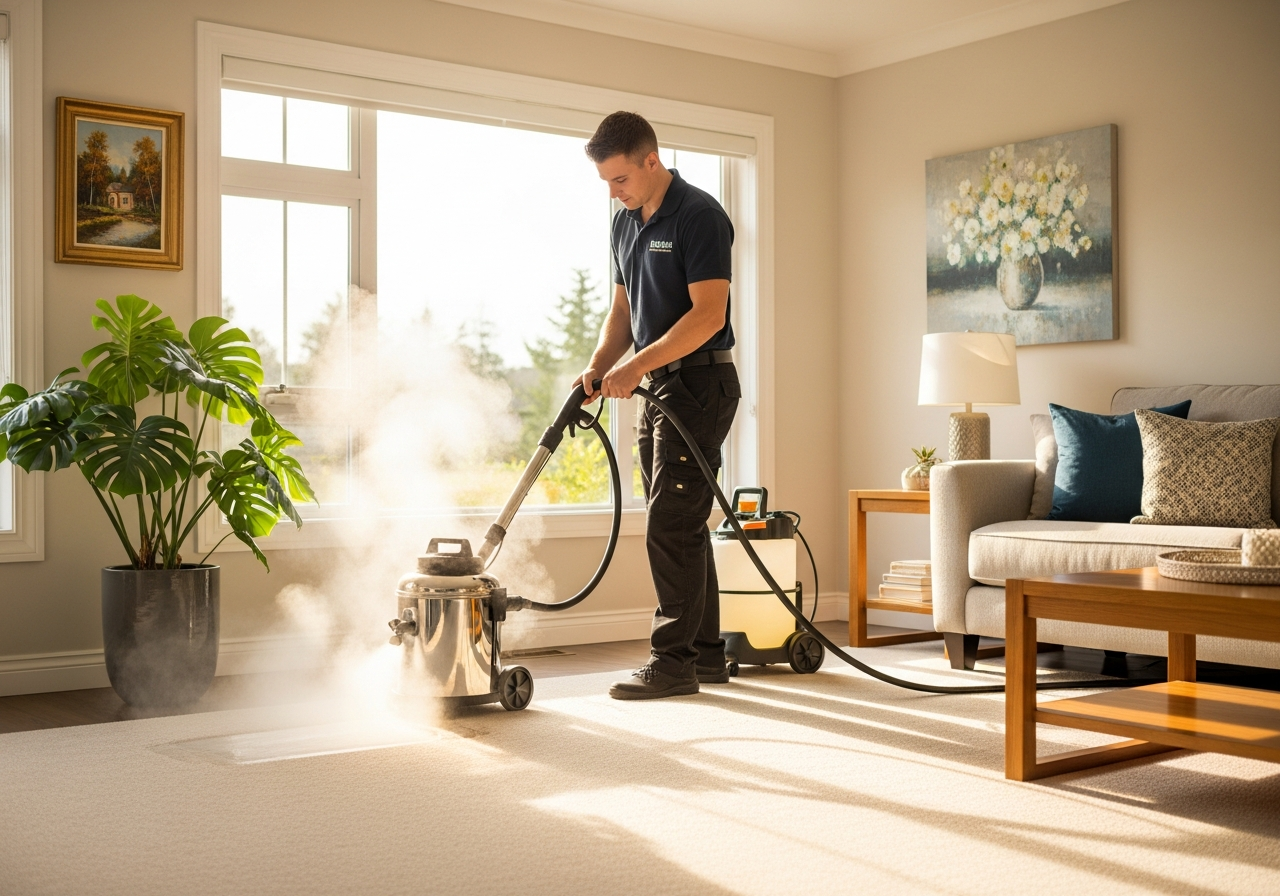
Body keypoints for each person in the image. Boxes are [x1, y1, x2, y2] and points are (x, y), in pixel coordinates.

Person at [577, 111, 740, 700]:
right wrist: (600, 366)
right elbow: (621, 312)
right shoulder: (623, 222)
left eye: (619, 179)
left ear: (652, 160)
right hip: (659, 388)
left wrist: (635, 366)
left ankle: (672, 664)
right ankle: (707, 654)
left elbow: (708, 315)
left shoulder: (700, 216)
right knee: (683, 519)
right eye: (606, 182)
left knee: (670, 522)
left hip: (700, 385)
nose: (613, 192)